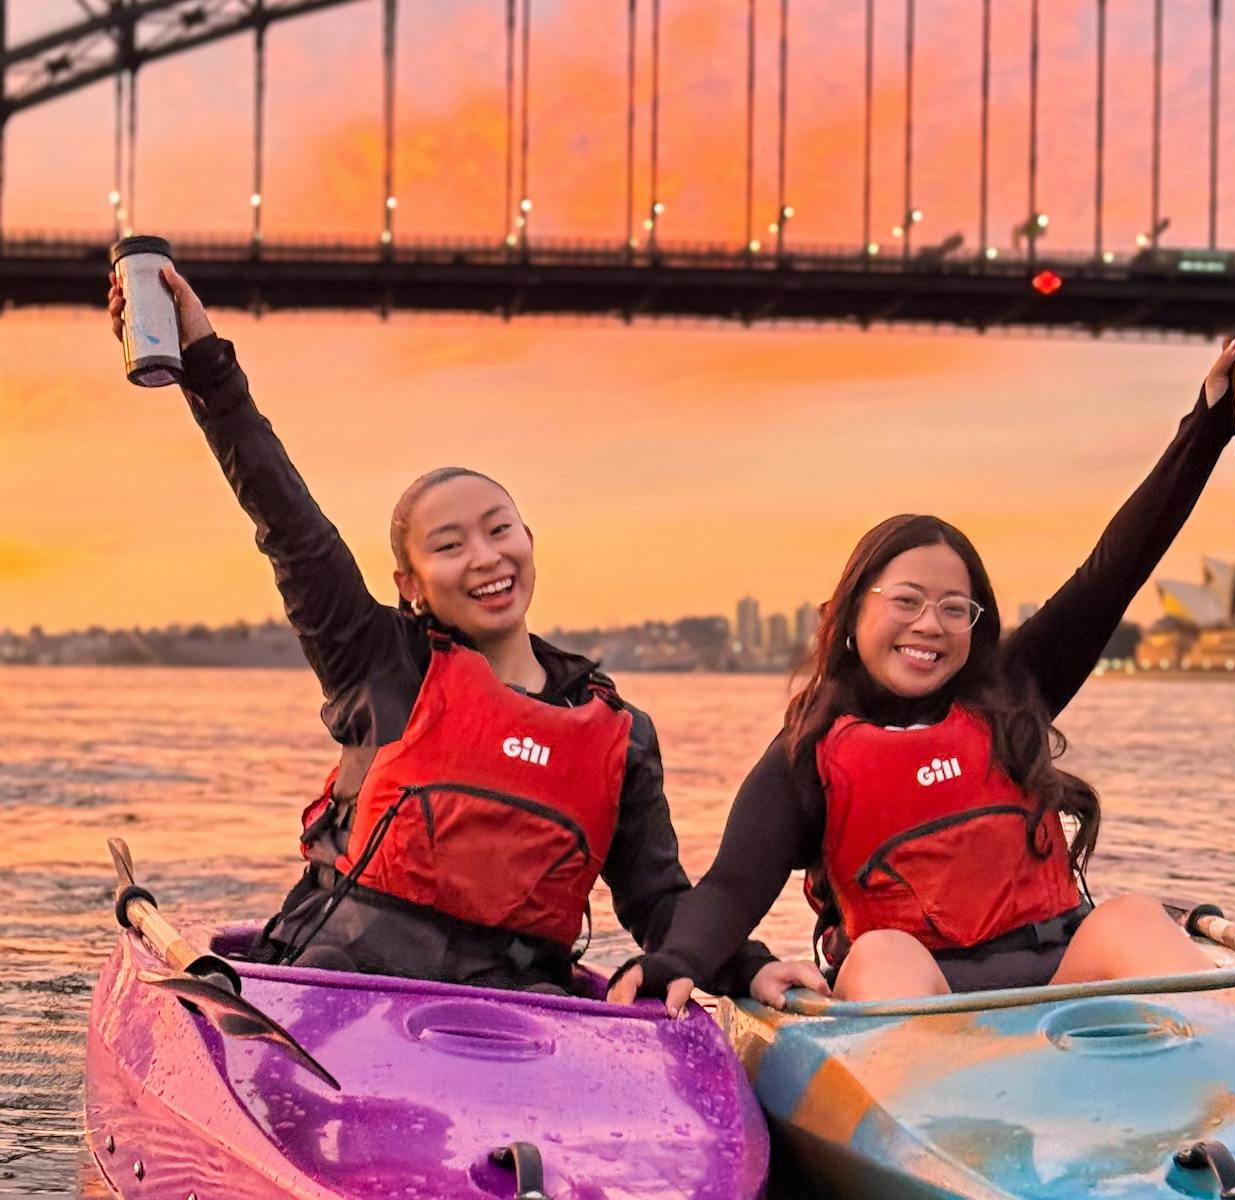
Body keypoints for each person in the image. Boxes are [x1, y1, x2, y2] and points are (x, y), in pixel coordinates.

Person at [106, 265, 814, 1000]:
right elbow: (290, 525)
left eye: (499, 530)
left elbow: (659, 901)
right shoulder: (376, 660)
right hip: (335, 1003)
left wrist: (749, 965)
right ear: (409, 585)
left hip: (510, 1025)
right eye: (448, 546)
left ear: (529, 540)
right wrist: (203, 361)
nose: (484, 557)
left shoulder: (619, 734)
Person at [611, 341, 1235, 1014]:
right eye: (906, 601)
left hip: (1062, 978)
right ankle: (939, 1102)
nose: (929, 626)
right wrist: (674, 963)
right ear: (854, 613)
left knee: (1134, 916)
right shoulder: (808, 755)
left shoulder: (1013, 691)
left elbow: (1113, 569)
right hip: (917, 1000)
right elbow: (732, 890)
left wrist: (1207, 422)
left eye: (953, 608)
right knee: (881, 950)